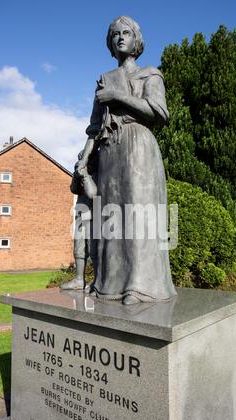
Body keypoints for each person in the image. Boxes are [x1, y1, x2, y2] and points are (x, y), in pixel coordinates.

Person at [78, 16, 176, 305]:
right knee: (110, 215)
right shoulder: (104, 80)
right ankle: (107, 283)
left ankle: (140, 286)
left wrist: (118, 96)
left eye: (126, 33)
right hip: (109, 151)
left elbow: (159, 113)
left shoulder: (150, 74)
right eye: (115, 34)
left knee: (138, 213)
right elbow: (94, 128)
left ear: (136, 41)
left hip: (138, 146)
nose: (120, 38)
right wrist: (84, 161)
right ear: (111, 43)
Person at [61, 151, 97, 290]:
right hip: (81, 213)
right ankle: (79, 280)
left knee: (93, 249)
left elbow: (92, 193)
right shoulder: (80, 171)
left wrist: (86, 174)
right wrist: (77, 176)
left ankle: (97, 282)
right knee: (79, 248)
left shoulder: (98, 171)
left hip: (95, 214)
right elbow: (73, 189)